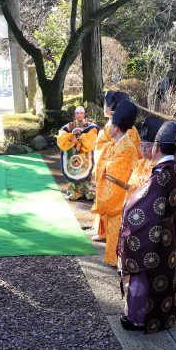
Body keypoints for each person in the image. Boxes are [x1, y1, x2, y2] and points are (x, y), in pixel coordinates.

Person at [118, 121, 176, 333]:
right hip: (166, 232)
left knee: (142, 273)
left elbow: (140, 210)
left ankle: (137, 318)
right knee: (161, 276)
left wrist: (127, 219)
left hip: (152, 234)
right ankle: (159, 316)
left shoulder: (160, 176)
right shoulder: (175, 169)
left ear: (157, 146)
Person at [91, 97, 141, 267]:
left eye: (111, 125)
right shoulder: (117, 143)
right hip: (116, 196)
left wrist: (103, 167)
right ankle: (116, 259)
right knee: (114, 228)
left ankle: (120, 260)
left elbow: (114, 173)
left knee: (119, 228)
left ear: (116, 127)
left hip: (120, 197)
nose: (108, 128)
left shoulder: (126, 147)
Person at [92, 92, 131, 241]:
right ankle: (105, 232)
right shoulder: (115, 124)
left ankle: (110, 235)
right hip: (113, 167)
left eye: (105, 104)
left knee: (114, 204)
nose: (104, 107)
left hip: (117, 170)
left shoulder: (115, 126)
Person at [57, 105, 101, 201]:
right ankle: (75, 192)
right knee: (74, 171)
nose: (79, 115)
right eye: (77, 113)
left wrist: (80, 141)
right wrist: (71, 139)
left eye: (81, 113)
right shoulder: (70, 126)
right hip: (73, 154)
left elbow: (92, 138)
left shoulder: (89, 126)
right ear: (74, 114)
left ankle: (88, 192)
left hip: (85, 154)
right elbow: (62, 135)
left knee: (87, 171)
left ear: (84, 114)